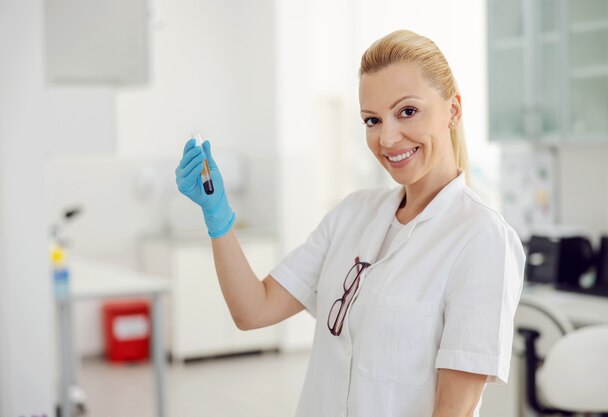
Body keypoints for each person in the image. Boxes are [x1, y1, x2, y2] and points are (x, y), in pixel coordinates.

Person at [175, 29, 525, 417]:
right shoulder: (352, 214)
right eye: (372, 120)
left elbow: (453, 410)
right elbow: (252, 310)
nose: (388, 138)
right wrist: (218, 216)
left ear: (453, 110)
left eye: (407, 111)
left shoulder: (480, 238)